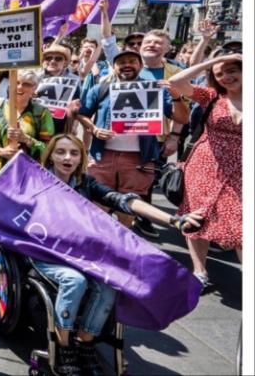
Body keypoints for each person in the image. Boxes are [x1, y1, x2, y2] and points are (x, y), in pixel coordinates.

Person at [35, 134, 202, 374]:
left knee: (109, 283)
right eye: (60, 152)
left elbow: (125, 201)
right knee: (75, 280)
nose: (67, 158)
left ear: (82, 158)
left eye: (74, 153)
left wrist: (173, 220)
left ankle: (85, 343)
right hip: (45, 251)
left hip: (79, 253)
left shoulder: (86, 183)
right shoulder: (37, 182)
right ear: (50, 155)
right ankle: (63, 348)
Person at [76, 50, 187, 229]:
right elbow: (82, 114)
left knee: (128, 208)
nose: (127, 65)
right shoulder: (101, 89)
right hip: (102, 157)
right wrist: (94, 129)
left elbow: (181, 118)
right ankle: (100, 244)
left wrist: (176, 96)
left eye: (132, 61)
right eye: (121, 62)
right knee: (98, 206)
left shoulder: (155, 89)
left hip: (138, 160)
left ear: (140, 66)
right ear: (113, 67)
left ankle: (123, 242)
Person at [167, 51, 242, 292]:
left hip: (241, 171)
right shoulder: (211, 96)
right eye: (220, 74)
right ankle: (200, 271)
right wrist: (212, 63)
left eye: (232, 70)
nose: (226, 77)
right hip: (204, 166)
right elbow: (176, 82)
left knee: (240, 223)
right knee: (196, 217)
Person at [0, 70, 54, 191]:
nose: (20, 87)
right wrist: (0, 151)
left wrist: (26, 139)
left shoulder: (41, 113)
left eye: (27, 84)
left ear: (34, 88)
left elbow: (49, 149)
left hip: (22, 180)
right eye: (17, 82)